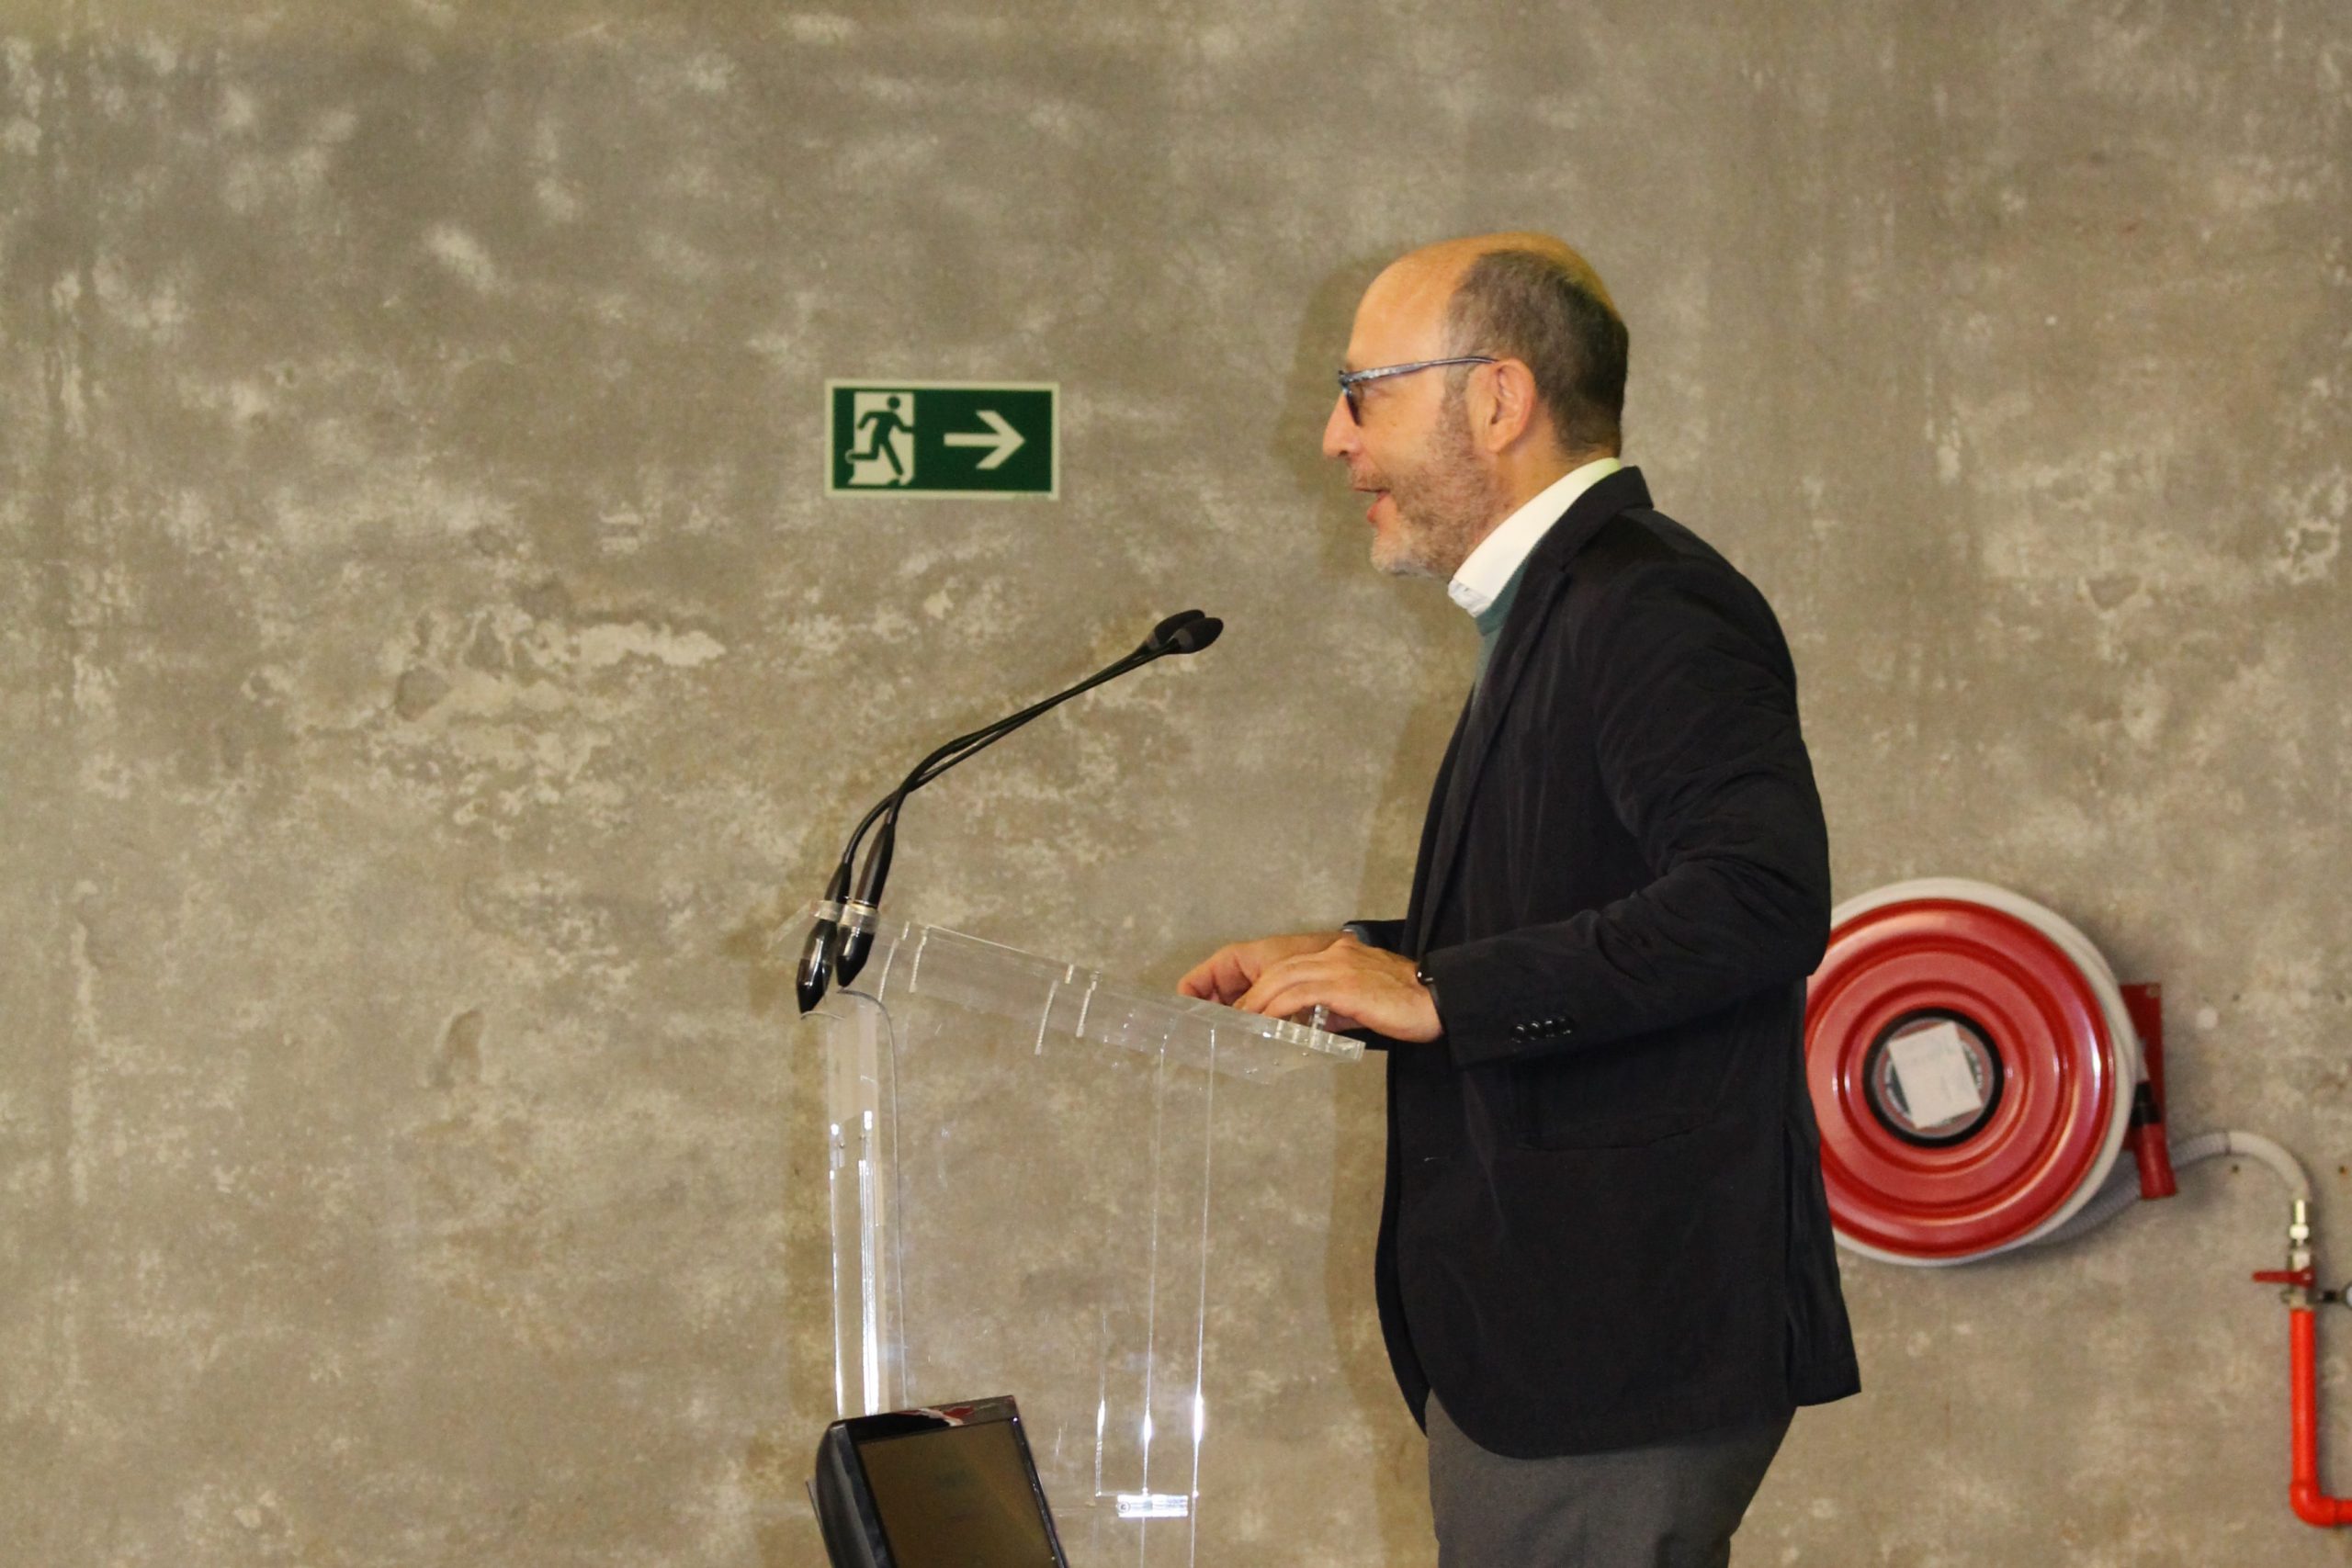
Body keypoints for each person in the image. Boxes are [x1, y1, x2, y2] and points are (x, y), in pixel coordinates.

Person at [1179, 233, 1859, 1567]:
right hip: (1564, 1352)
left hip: (1610, 1353)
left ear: (1495, 400)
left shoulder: (1651, 604)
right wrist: (1361, 957)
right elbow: (1592, 896)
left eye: (1360, 389)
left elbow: (1757, 899)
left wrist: (1440, 992)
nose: (1332, 437)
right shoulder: (1563, 609)